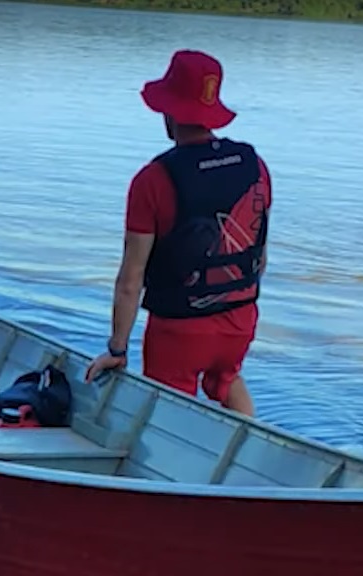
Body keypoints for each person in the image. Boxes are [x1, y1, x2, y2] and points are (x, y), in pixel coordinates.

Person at [84, 49, 272, 417]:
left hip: (179, 329)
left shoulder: (152, 180)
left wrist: (118, 349)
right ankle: (253, 450)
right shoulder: (255, 164)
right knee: (227, 379)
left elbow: (130, 278)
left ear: (169, 111)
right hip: (240, 318)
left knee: (170, 407)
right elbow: (259, 257)